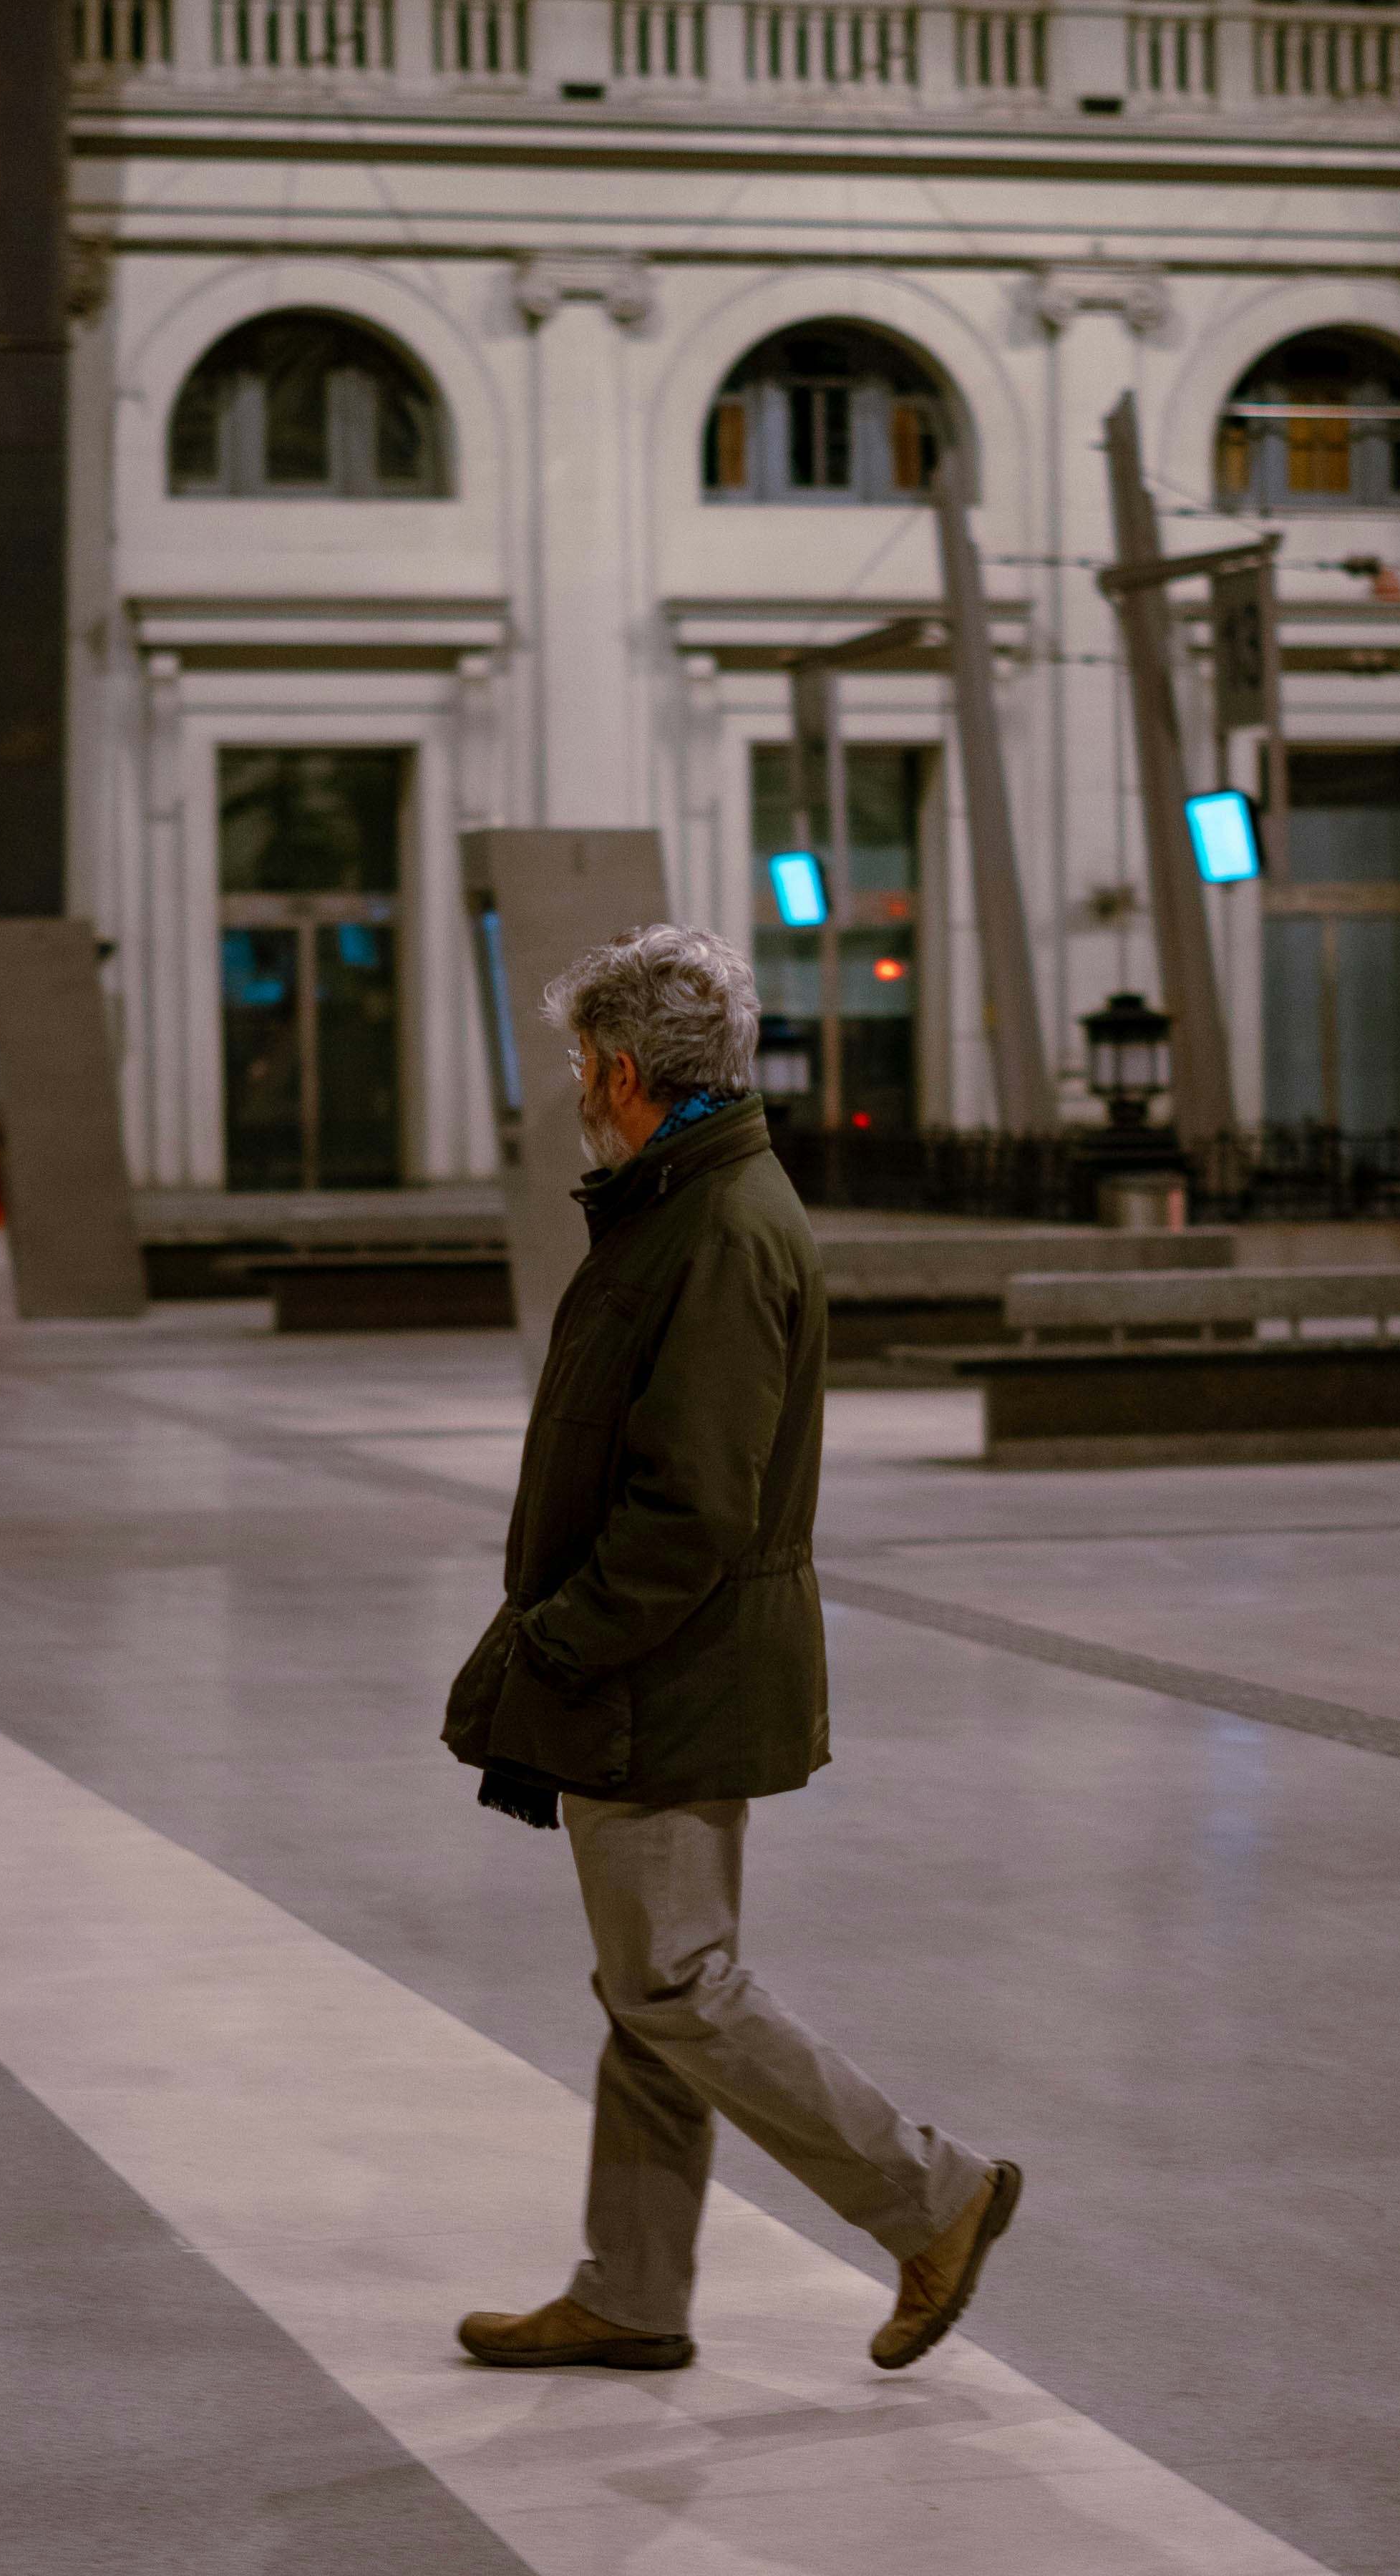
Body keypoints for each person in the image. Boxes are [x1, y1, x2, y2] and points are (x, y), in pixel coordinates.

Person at [442, 923, 1020, 2373]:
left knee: (675, 1985)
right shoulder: (686, 1202)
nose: (579, 1086)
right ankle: (632, 2290)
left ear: (626, 1074)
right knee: (656, 1988)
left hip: (664, 1670)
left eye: (584, 1063)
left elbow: (690, 1510)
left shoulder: (714, 1228)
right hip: (667, 1664)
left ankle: (932, 2197)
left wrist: (559, 1645)